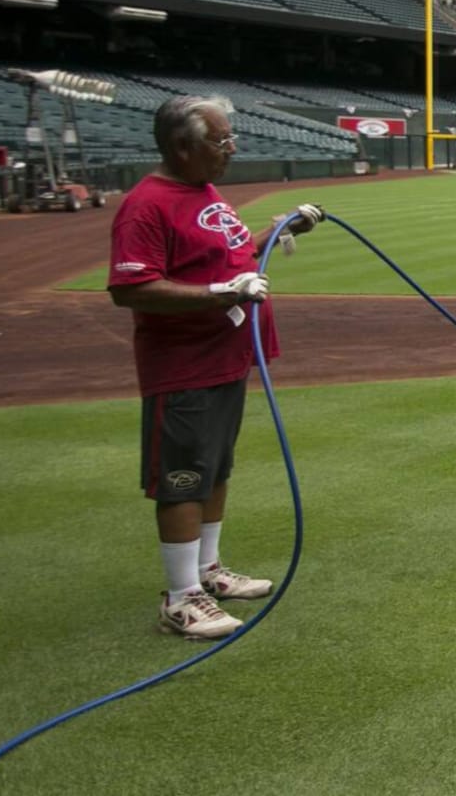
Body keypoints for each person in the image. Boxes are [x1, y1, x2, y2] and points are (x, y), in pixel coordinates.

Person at [108, 97, 322, 640]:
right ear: (183, 147)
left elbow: (223, 256)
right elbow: (130, 287)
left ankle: (208, 571)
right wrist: (222, 291)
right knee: (182, 478)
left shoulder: (201, 190)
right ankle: (181, 599)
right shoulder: (147, 203)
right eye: (220, 141)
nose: (231, 150)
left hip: (226, 357)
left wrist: (275, 233)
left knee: (214, 469)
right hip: (184, 365)